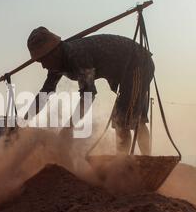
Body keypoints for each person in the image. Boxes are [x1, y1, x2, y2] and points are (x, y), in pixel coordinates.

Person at [24, 27, 155, 155]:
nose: (43, 66)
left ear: (54, 52)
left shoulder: (77, 55)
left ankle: (124, 164)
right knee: (132, 117)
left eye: (43, 60)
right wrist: (24, 121)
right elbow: (46, 92)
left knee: (122, 119)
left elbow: (88, 94)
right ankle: (136, 161)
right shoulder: (56, 65)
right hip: (126, 70)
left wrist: (69, 127)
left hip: (138, 63)